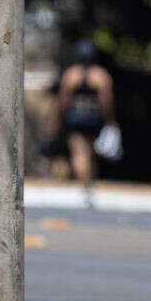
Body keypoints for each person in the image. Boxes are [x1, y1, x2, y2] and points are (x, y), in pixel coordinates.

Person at [56, 40, 117, 201]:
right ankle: (89, 184)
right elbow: (107, 101)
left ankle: (84, 185)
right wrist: (110, 119)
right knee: (90, 152)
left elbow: (63, 100)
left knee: (79, 152)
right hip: (94, 117)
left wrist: (59, 118)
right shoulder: (101, 76)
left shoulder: (71, 75)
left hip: (77, 117)